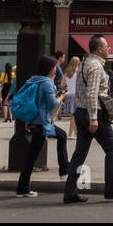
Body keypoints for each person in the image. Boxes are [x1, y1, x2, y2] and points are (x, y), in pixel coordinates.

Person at [63, 35, 113, 203]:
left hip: (80, 112)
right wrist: (93, 118)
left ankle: (70, 192)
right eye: (107, 47)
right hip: (94, 113)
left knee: (79, 154)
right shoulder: (95, 66)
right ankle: (111, 190)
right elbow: (92, 93)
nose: (109, 49)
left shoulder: (85, 63)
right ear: (99, 49)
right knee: (112, 149)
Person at [14, 55, 70, 197]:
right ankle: (64, 171)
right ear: (50, 69)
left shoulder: (34, 79)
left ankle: (23, 187)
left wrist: (29, 120)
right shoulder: (46, 82)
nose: (56, 70)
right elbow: (52, 103)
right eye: (54, 67)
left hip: (36, 121)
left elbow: (35, 101)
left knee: (33, 155)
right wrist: (62, 97)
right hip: (41, 123)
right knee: (33, 156)